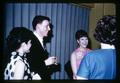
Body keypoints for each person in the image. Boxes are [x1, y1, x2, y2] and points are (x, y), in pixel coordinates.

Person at [76, 15, 116, 79]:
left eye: (86, 39)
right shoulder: (88, 55)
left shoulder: (91, 56)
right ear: (78, 41)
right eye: (82, 39)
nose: (85, 41)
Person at [27, 15, 58, 80]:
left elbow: (37, 60)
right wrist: (46, 62)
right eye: (47, 26)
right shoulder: (30, 41)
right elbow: (29, 66)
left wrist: (50, 62)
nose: (49, 29)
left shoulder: (39, 40)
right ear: (38, 27)